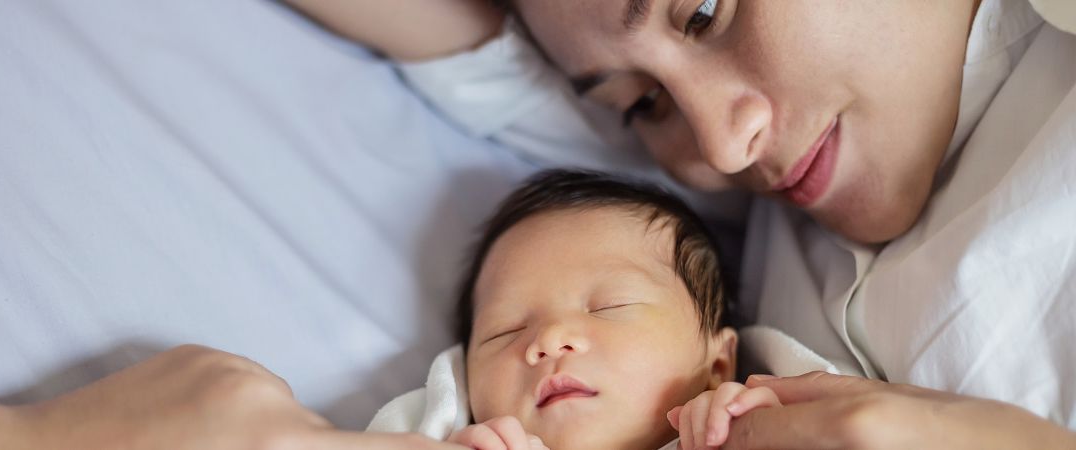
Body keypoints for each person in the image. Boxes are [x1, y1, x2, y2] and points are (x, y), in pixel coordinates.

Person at [288, 0, 1076, 448]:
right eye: (644, 104)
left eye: (703, 10)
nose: (722, 146)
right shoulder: (711, 220)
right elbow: (461, 41)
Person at [435, 169, 778, 450]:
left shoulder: (736, 437)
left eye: (609, 306)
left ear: (717, 366)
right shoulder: (436, 434)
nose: (550, 338)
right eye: (505, 330)